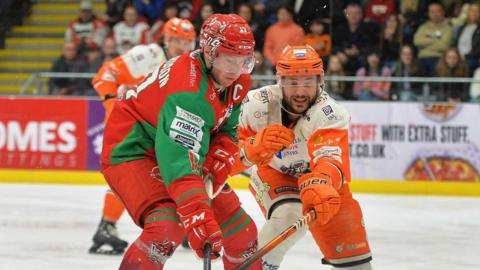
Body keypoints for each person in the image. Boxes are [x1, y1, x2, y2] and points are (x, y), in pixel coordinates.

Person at [100, 13, 262, 269]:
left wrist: (218, 161)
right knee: (167, 227)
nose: (235, 69)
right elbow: (178, 162)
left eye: (244, 61)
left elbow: (228, 129)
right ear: (209, 52)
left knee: (242, 233)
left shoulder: (238, 79)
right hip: (133, 148)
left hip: (174, 146)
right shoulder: (188, 91)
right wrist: (197, 213)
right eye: (228, 59)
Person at [232, 45, 372, 269]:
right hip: (275, 173)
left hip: (324, 184)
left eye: (308, 82)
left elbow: (331, 159)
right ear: (280, 80)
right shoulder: (255, 105)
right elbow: (223, 161)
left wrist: (322, 181)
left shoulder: (330, 114)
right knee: (289, 216)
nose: (300, 91)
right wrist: (251, 148)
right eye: (292, 82)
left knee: (356, 264)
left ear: (320, 80)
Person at [88, 17, 196, 255]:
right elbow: (104, 76)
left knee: (173, 174)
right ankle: (107, 225)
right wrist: (113, 106)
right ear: (167, 39)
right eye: (178, 40)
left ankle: (186, 224)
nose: (184, 47)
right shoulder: (147, 55)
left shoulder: (190, 65)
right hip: (130, 128)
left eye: (188, 42)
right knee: (131, 175)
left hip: (158, 129)